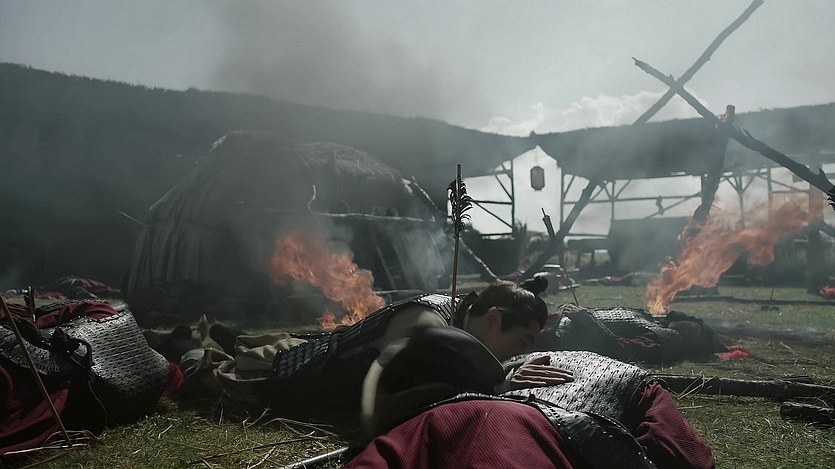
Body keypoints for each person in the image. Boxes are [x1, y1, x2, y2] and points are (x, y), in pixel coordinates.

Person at [175, 278, 574, 426]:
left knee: (255, 344)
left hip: (322, 349)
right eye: (522, 342)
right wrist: (498, 384)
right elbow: (382, 403)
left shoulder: (466, 314)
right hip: (299, 377)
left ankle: (224, 336)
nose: (520, 352)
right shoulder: (428, 323)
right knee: (209, 375)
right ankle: (183, 344)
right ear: (493, 318)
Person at [349, 348, 716, 468]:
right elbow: (682, 453)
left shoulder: (506, 365)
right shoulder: (635, 379)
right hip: (528, 431)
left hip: (456, 415)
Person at [534, 303, 728, 363]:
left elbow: (620, 348)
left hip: (555, 339)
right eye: (692, 328)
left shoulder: (667, 340)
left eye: (692, 338)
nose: (687, 332)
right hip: (555, 322)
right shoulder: (653, 320)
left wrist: (584, 317)